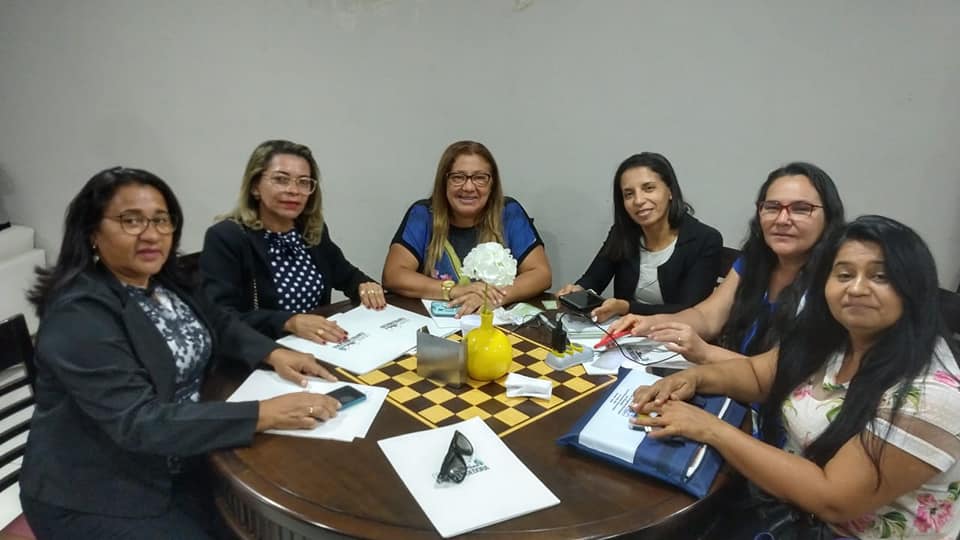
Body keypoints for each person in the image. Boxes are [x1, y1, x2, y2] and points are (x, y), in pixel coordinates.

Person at [20, 167, 343, 539]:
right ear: (92, 231)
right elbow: (139, 422)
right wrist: (264, 413)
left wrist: (272, 353)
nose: (151, 234)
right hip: (100, 490)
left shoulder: (165, 279)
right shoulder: (78, 314)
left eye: (161, 220)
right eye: (131, 221)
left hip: (184, 456)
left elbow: (220, 322)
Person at [631, 216, 960, 539]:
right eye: (844, 274)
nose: (857, 288)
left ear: (914, 287)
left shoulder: (931, 396)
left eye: (880, 276)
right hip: (786, 510)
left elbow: (832, 498)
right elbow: (758, 375)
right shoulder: (831, 336)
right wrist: (695, 379)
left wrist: (711, 429)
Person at [610, 162, 844, 364]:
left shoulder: (835, 283)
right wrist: (651, 322)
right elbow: (706, 317)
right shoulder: (753, 261)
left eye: (801, 209)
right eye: (772, 207)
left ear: (829, 217)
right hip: (732, 384)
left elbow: (785, 375)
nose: (782, 219)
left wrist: (706, 353)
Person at [201, 140, 384, 346]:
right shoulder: (227, 236)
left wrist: (366, 287)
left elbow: (347, 276)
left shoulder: (310, 230)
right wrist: (289, 322)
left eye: (303, 182)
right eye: (281, 179)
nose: (294, 190)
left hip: (319, 345)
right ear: (255, 187)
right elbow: (220, 317)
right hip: (262, 351)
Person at [382, 140, 551, 316]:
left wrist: (493, 297)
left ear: (492, 184)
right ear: (444, 182)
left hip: (492, 321)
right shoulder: (423, 215)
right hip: (439, 321)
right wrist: (453, 290)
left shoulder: (509, 213)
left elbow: (541, 274)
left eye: (480, 178)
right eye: (458, 177)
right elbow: (393, 275)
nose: (469, 187)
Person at [556, 152, 722, 322]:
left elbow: (690, 311)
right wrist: (578, 290)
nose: (638, 200)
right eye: (629, 194)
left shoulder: (705, 239)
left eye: (648, 188)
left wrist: (627, 307)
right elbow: (594, 278)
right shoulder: (623, 232)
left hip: (676, 334)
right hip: (626, 331)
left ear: (670, 191)